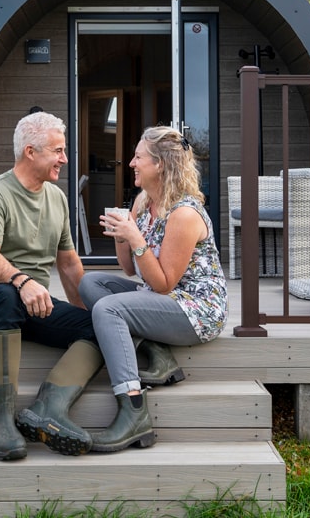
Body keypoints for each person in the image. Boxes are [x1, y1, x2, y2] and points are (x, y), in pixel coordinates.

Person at [0, 111, 103, 460]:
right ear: (30, 152)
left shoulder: (57, 199)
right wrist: (22, 281)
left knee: (101, 326)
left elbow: (67, 264)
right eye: (58, 150)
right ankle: (0, 424)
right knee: (6, 297)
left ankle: (48, 408)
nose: (64, 159)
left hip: (33, 302)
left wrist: (84, 313)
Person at [79, 126, 228, 452]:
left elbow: (163, 283)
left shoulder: (184, 213)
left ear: (159, 164)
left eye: (138, 157)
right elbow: (131, 269)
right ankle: (159, 356)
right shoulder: (144, 202)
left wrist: (136, 239)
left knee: (109, 308)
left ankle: (133, 411)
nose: (131, 162)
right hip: (161, 297)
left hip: (196, 307)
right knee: (91, 282)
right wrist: (123, 237)